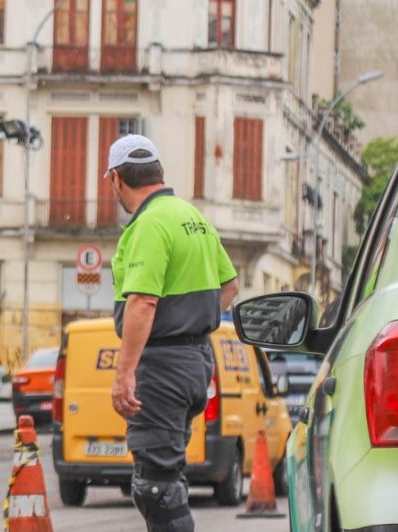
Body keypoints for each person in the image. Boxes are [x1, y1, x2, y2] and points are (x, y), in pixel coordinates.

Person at [107, 134, 239, 532]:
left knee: (156, 486)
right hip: (195, 360)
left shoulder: (149, 224)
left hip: (161, 367)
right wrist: (190, 319)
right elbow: (230, 287)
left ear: (116, 179)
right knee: (165, 476)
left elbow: (143, 302)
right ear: (158, 172)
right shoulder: (192, 217)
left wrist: (125, 372)